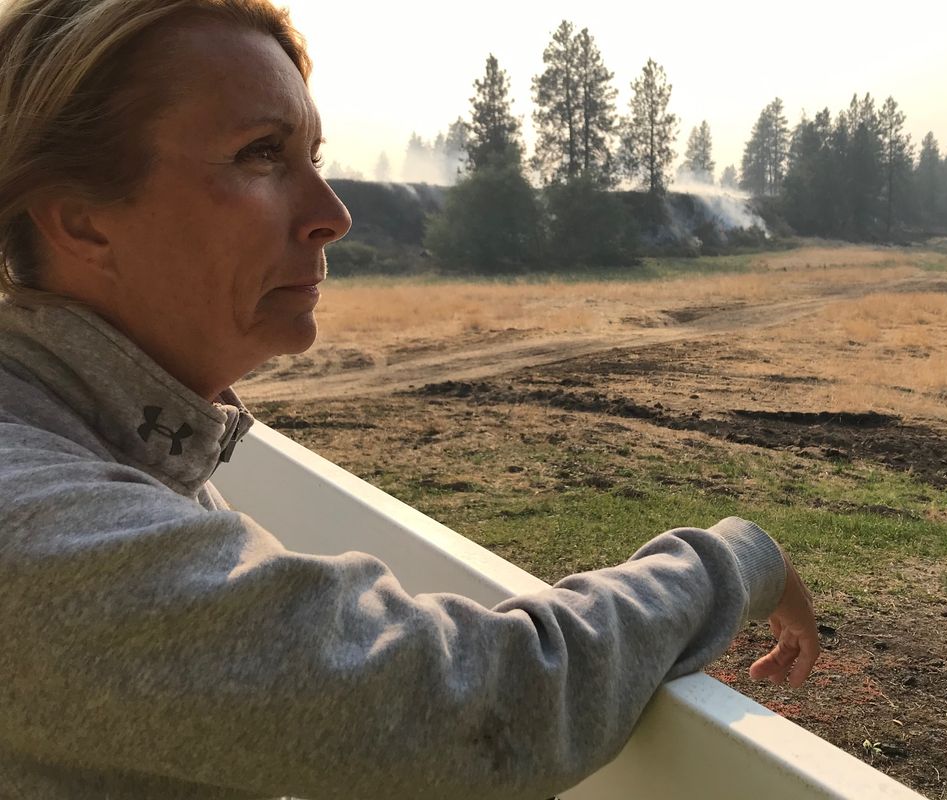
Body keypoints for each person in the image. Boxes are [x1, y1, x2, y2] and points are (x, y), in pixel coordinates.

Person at [0, 1, 821, 798]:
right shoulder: (39, 527)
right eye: (260, 154)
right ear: (80, 221)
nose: (333, 214)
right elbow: (486, 703)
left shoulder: (115, 441)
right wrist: (737, 561)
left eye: (314, 157)